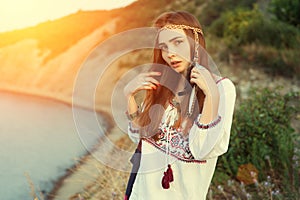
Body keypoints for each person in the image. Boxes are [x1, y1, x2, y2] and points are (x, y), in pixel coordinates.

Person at [123, 11, 236, 200]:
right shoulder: (161, 85)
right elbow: (139, 137)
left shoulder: (222, 89)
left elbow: (202, 150)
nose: (170, 54)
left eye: (178, 42)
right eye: (164, 47)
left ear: (195, 42)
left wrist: (212, 96)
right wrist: (129, 97)